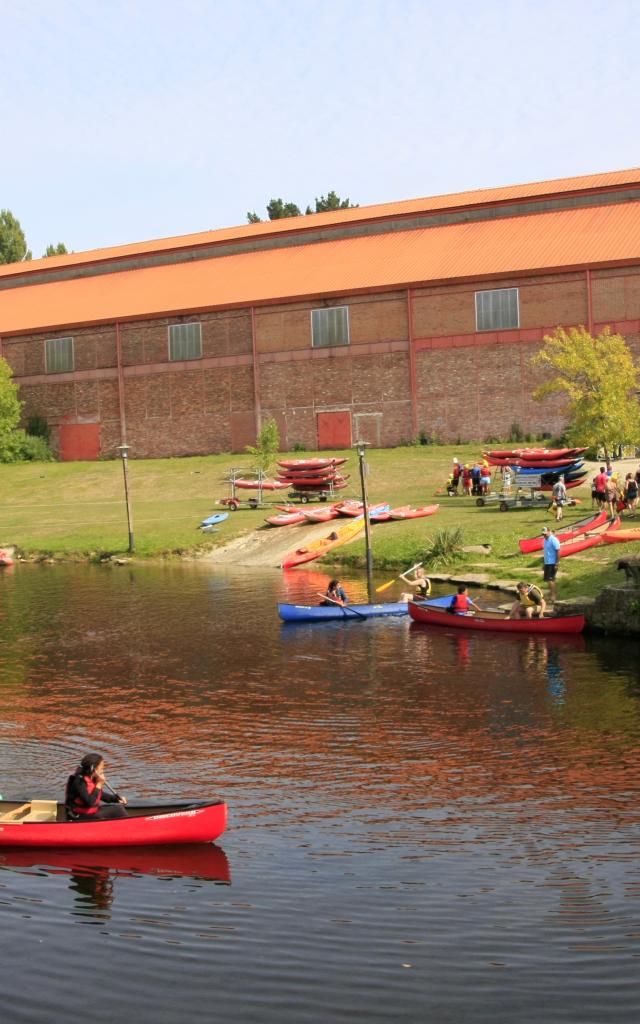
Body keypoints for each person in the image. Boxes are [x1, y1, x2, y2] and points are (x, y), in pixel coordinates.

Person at [65, 753, 128, 822]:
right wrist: (99, 784)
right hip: (78, 816)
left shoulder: (91, 778)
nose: (102, 771)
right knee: (118, 810)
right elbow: (89, 802)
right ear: (93, 769)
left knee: (118, 808)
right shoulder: (79, 782)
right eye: (101, 768)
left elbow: (100, 795)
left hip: (89, 813)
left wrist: (116, 799)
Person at [541, 526, 560, 603]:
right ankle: (551, 595)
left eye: (545, 534)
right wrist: (544, 563)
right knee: (548, 580)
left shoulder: (553, 539)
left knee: (551, 579)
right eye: (543, 534)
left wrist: (557, 562)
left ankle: (553, 596)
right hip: (547, 563)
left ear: (549, 532)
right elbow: (546, 552)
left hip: (552, 562)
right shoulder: (545, 540)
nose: (544, 535)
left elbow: (558, 551)